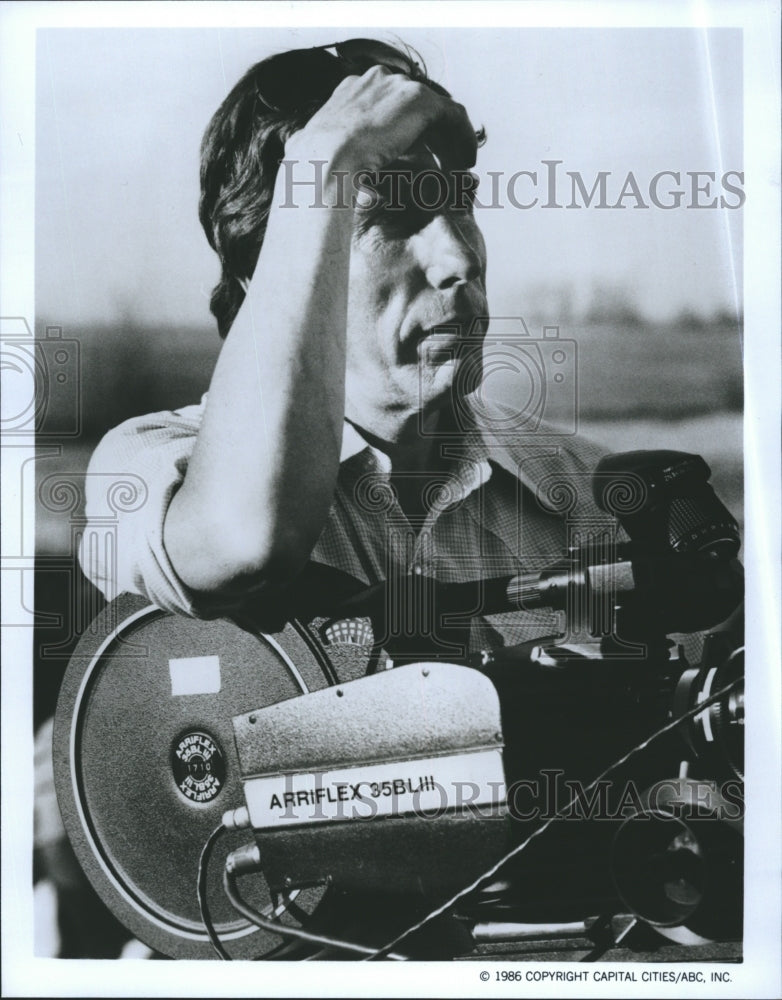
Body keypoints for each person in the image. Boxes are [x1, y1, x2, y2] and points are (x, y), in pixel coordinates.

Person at [80, 38, 608, 659]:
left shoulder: (590, 490)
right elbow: (245, 542)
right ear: (266, 268)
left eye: (459, 204)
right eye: (390, 214)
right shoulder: (148, 466)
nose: (460, 259)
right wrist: (326, 161)